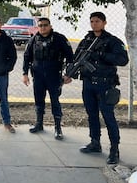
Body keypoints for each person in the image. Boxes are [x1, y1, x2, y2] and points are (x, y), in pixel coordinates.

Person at [75, 12, 128, 164]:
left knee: (108, 117)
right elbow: (77, 57)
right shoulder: (87, 40)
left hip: (105, 84)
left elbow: (123, 60)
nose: (94, 24)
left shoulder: (112, 41)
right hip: (88, 84)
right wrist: (70, 72)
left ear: (104, 22)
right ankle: (95, 142)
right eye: (92, 21)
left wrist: (102, 55)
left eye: (97, 21)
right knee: (92, 115)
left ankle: (114, 149)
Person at [22, 17, 74, 140]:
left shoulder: (59, 39)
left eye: (45, 25)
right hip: (38, 77)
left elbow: (70, 57)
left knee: (55, 102)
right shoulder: (33, 40)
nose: (43, 27)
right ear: (37, 27)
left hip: (54, 76)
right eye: (40, 25)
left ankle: (58, 128)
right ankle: (39, 124)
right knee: (39, 101)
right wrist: (24, 74)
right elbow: (26, 57)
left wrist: (69, 74)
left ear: (50, 26)